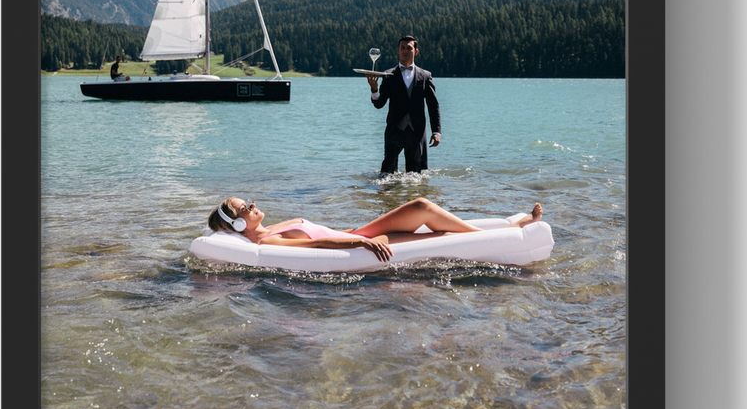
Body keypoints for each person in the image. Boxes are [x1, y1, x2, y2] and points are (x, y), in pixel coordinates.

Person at [207, 195, 542, 263]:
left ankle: (511, 226)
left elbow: (322, 231)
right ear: (238, 224)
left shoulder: (270, 227)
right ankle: (511, 230)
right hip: (362, 240)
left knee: (426, 217)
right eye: (244, 207)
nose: (252, 204)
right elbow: (316, 245)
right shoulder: (270, 241)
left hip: (359, 231)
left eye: (248, 201)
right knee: (423, 210)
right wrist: (362, 245)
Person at [366, 35, 440, 174]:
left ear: (415, 51)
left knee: (416, 175)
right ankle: (387, 195)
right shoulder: (388, 75)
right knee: (387, 173)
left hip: (417, 131)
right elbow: (379, 104)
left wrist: (436, 131)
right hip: (395, 130)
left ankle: (413, 196)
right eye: (402, 48)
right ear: (398, 50)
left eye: (409, 48)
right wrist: (374, 89)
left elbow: (433, 105)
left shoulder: (425, 76)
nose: (405, 50)